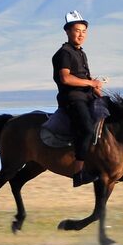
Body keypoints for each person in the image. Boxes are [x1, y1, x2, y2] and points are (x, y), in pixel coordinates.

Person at [53, 10, 106, 186]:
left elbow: (87, 80)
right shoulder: (64, 53)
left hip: (87, 97)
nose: (81, 34)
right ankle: (78, 174)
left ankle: (109, 165)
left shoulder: (81, 53)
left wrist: (97, 89)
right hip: (72, 99)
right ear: (68, 32)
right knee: (86, 130)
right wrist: (91, 83)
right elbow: (65, 78)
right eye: (77, 30)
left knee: (112, 122)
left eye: (84, 31)